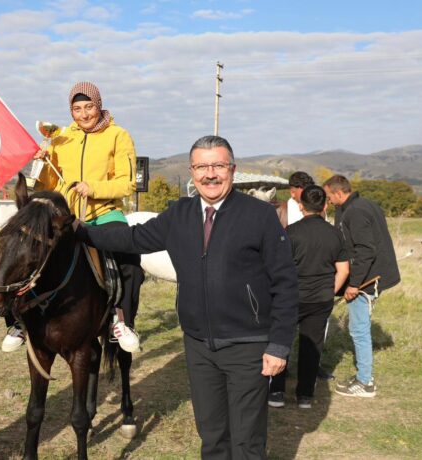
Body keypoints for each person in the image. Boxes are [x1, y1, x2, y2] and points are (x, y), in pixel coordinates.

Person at [75, 135, 298, 459]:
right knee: (211, 435)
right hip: (198, 346)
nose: (210, 174)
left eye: (218, 165)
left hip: (247, 346)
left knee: (247, 441)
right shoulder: (179, 213)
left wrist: (278, 345)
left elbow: (286, 281)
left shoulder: (259, 216)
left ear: (232, 169)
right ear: (192, 172)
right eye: (201, 166)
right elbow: (133, 238)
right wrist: (83, 231)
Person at [1, 81, 144, 353]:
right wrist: (41, 162)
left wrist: (95, 188)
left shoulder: (118, 135)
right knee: (18, 253)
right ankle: (19, 320)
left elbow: (127, 184)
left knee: (130, 261)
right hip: (63, 217)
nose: (84, 114)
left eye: (88, 106)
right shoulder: (61, 137)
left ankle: (121, 319)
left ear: (98, 106)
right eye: (77, 108)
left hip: (104, 213)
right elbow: (46, 184)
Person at [268, 185, 349, 409]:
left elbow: (277, 268)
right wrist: (329, 291)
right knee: (312, 345)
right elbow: (343, 270)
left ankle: (276, 393)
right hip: (321, 299)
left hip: (291, 297)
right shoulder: (335, 234)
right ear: (324, 205)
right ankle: (305, 396)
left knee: (281, 341)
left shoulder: (290, 232)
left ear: (300, 205)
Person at [323, 175, 400, 398]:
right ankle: (364, 377)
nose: (328, 202)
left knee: (359, 330)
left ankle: (366, 383)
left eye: (329, 197)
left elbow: (366, 251)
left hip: (366, 281)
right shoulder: (365, 204)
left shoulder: (355, 212)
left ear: (339, 193)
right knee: (360, 328)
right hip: (370, 276)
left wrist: (354, 284)